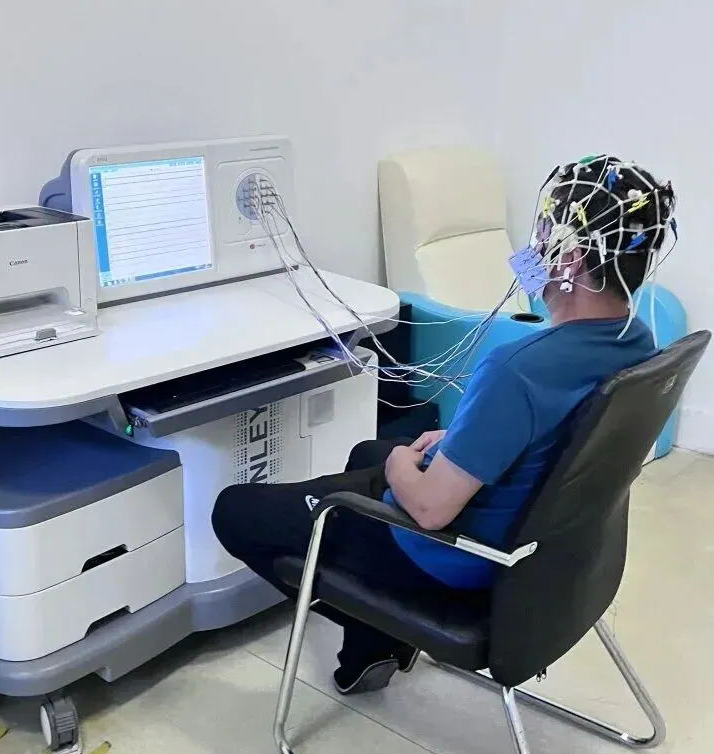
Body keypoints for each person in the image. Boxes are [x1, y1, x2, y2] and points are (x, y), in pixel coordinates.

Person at [212, 156, 676, 694]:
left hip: (457, 558)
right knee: (368, 451)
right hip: (548, 551)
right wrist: (455, 444)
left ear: (569, 257)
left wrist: (399, 466)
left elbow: (432, 510)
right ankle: (369, 648)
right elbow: (554, 437)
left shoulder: (517, 368)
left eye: (543, 232)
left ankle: (386, 622)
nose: (531, 249)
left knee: (237, 510)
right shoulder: (637, 340)